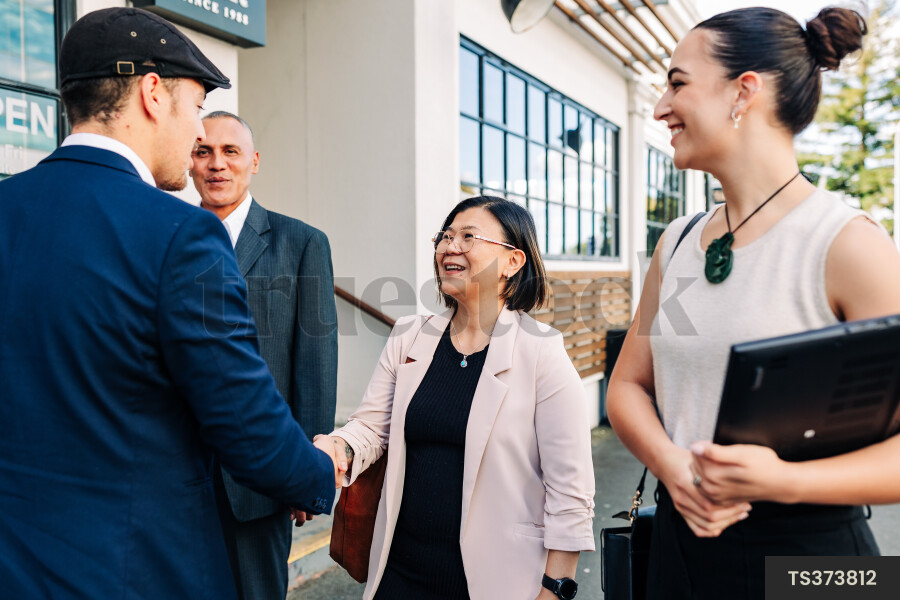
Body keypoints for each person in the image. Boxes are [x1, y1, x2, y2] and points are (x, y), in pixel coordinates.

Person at [0, 8, 343, 600]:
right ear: (153, 94)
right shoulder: (181, 234)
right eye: (194, 110)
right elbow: (243, 420)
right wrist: (322, 474)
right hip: (137, 569)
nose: (196, 140)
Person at [607, 6, 900, 599]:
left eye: (678, 83)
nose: (662, 106)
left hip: (812, 561)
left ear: (745, 92)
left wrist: (786, 481)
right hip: (680, 545)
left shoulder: (848, 245)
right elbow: (628, 386)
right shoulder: (678, 243)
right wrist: (671, 466)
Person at [314, 196, 595, 600]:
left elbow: (571, 489)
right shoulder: (410, 335)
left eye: (468, 236)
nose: (450, 246)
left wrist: (554, 589)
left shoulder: (541, 352)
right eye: (445, 236)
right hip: (400, 572)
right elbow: (371, 429)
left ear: (513, 262)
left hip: (496, 580)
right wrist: (335, 448)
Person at [191, 111, 339, 600]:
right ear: (189, 162)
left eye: (230, 151)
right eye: (203, 151)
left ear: (253, 162)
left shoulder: (301, 244)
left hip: (257, 478)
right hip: (174, 474)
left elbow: (315, 364)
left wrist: (303, 470)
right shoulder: (165, 238)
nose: (217, 164)